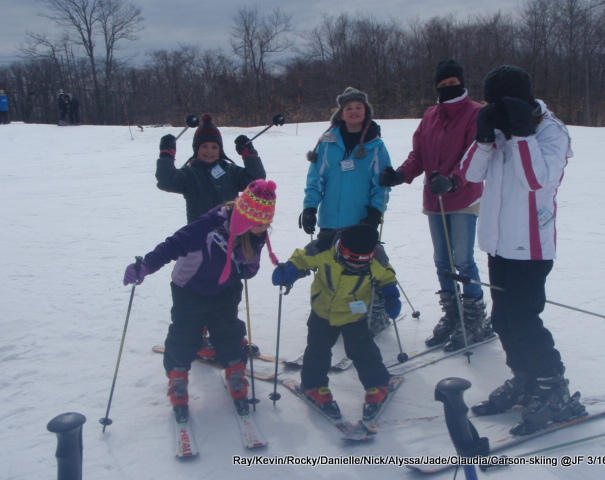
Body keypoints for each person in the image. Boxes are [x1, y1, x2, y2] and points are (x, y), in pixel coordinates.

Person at [460, 65, 582, 433]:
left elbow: (536, 181)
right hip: (498, 243)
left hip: (530, 245)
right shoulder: (498, 128)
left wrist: (522, 134)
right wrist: (483, 137)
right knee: (503, 319)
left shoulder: (550, 131)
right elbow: (470, 175)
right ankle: (525, 378)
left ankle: (553, 388)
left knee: (525, 320)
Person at [123, 179, 279, 421]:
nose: (264, 229)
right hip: (190, 289)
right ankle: (178, 379)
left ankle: (235, 374)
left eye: (267, 224)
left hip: (225, 290)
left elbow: (249, 271)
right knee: (184, 335)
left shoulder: (254, 234)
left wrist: (246, 263)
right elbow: (172, 245)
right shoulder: (206, 226)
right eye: (261, 224)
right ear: (246, 218)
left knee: (229, 332)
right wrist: (145, 266)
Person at [379, 59, 491, 351]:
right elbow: (419, 154)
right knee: (442, 261)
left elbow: (475, 155)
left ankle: (473, 319)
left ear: (462, 82)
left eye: (452, 83)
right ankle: (453, 315)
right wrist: (401, 173)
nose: (447, 88)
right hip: (434, 198)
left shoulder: (475, 113)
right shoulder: (431, 115)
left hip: (463, 196)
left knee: (463, 260)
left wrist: (454, 181)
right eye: (442, 85)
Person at [156, 113, 267, 360]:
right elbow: (166, 181)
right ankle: (202, 338)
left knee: (230, 290)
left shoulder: (228, 170)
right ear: (196, 149)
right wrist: (166, 155)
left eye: (214, 146)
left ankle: (228, 333)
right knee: (201, 290)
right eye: (204, 146)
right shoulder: (189, 173)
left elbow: (257, 182)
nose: (209, 151)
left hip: (233, 240)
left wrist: (249, 154)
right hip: (200, 244)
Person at [272, 224, 401, 420]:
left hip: (353, 314)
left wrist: (391, 294)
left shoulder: (377, 258)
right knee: (317, 348)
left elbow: (387, 276)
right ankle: (314, 384)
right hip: (322, 310)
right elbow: (301, 259)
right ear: (341, 250)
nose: (357, 266)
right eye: (352, 262)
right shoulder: (324, 248)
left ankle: (378, 382)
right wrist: (290, 270)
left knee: (362, 349)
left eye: (361, 264)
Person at [300, 87, 393, 335]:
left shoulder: (376, 146)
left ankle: (375, 311)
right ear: (341, 113)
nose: (353, 111)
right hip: (330, 219)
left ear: (366, 112)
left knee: (364, 268)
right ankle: (334, 310)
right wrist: (310, 207)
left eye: (358, 107)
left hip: (360, 220)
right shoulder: (327, 143)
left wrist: (375, 211)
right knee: (331, 268)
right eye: (348, 108)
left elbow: (381, 183)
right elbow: (315, 179)